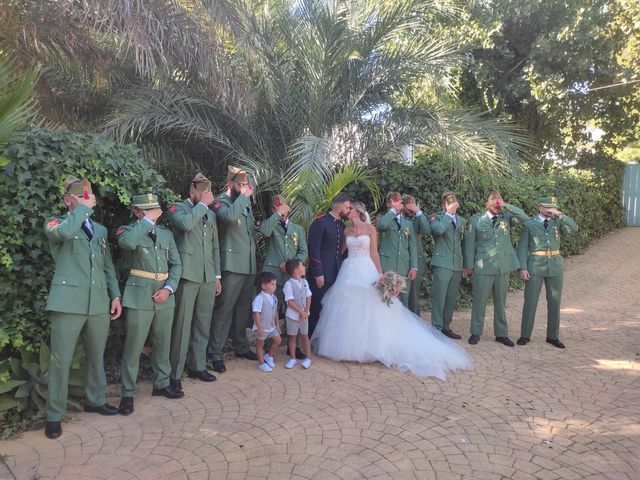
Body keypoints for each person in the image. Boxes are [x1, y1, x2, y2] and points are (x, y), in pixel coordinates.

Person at [311, 202, 472, 378]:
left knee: (372, 308)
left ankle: (374, 347)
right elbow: (341, 252)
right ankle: (348, 348)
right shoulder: (346, 231)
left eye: (350, 209)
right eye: (347, 208)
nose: (347, 211)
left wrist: (380, 274)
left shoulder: (370, 229)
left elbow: (374, 253)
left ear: (357, 211)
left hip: (366, 269)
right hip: (349, 271)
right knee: (348, 308)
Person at [43, 176, 122, 439]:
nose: (87, 198)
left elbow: (107, 265)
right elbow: (64, 233)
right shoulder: (56, 223)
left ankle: (95, 400)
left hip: (98, 302)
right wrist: (83, 209)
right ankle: (54, 415)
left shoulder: (99, 230)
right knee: (61, 361)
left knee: (96, 355)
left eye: (88, 194)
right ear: (67, 200)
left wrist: (115, 296)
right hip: (68, 303)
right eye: (80, 194)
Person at [116, 194, 183, 415]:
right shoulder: (127, 231)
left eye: (154, 209)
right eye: (146, 210)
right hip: (139, 296)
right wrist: (146, 221)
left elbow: (176, 264)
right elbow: (126, 244)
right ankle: (127, 393)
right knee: (134, 346)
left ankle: (162, 383)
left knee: (162, 342)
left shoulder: (166, 234)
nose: (152, 213)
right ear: (137, 212)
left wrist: (168, 288)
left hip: (164, 295)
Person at [167, 173, 220, 392]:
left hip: (207, 276)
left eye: (208, 190)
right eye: (201, 190)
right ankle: (174, 373)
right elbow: (187, 225)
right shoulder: (178, 208)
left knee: (202, 323)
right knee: (182, 326)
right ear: (191, 191)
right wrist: (204, 206)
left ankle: (197, 365)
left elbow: (215, 247)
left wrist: (217, 276)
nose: (206, 194)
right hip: (188, 275)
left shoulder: (210, 214)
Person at [209, 166, 260, 373]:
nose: (244, 188)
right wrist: (243, 197)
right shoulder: (221, 202)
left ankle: (240, 346)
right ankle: (215, 353)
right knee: (224, 310)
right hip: (230, 265)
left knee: (242, 310)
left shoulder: (244, 204)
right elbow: (229, 218)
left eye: (245, 184)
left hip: (247, 265)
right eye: (240, 184)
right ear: (230, 184)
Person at [463, 191, 529, 346]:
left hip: (502, 267)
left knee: (501, 302)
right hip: (483, 267)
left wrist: (506, 205)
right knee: (479, 301)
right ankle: (475, 332)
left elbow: (525, 218)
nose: (496, 207)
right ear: (487, 204)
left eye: (498, 205)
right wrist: (469, 267)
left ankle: (501, 334)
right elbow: (469, 245)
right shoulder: (476, 220)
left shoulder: (506, 218)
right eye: (493, 204)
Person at [516, 196, 578, 348]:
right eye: (547, 208)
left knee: (554, 301)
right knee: (530, 301)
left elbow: (574, 228)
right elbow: (522, 247)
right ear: (540, 208)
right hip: (535, 267)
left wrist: (560, 214)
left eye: (552, 208)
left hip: (555, 267)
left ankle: (553, 336)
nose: (550, 211)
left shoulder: (558, 222)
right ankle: (525, 335)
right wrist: (522, 268)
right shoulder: (530, 224)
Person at [307, 194, 351, 336]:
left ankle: (321, 339)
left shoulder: (341, 225)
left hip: (336, 273)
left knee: (330, 308)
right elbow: (314, 249)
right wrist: (318, 273)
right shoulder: (320, 222)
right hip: (322, 275)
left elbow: (341, 252)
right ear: (339, 207)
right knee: (317, 307)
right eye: (347, 207)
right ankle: (309, 338)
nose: (349, 210)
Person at [259, 194, 308, 313]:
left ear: (288, 208)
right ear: (273, 210)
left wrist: (290, 265)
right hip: (272, 275)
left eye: (283, 208)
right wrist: (277, 214)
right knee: (270, 310)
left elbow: (303, 252)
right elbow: (265, 232)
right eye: (277, 208)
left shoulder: (297, 229)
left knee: (293, 310)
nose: (281, 212)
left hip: (291, 276)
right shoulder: (269, 225)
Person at [428, 191, 467, 339]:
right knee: (440, 296)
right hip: (442, 263)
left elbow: (464, 244)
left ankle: (446, 326)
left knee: (451, 297)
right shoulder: (436, 218)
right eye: (449, 204)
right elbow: (438, 230)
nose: (453, 206)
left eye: (454, 204)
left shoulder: (462, 221)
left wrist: (466, 265)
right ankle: (436, 327)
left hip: (457, 263)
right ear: (444, 205)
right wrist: (448, 215)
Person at [376, 192, 418, 307]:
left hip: (404, 266)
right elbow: (382, 226)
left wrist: (413, 267)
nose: (398, 204)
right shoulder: (384, 218)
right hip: (387, 265)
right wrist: (393, 211)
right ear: (388, 204)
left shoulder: (408, 223)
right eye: (395, 202)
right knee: (384, 298)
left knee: (403, 300)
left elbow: (412, 247)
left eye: (399, 202)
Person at [401, 195, 431, 315]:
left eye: (412, 206)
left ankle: (415, 326)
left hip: (414, 264)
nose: (410, 209)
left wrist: (418, 212)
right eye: (408, 206)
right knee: (400, 296)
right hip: (400, 262)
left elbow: (427, 230)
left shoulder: (416, 219)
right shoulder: (396, 219)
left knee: (413, 298)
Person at [283, 259, 312, 369]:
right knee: (292, 337)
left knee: (305, 336)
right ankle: (293, 358)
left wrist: (305, 311)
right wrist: (300, 311)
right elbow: (290, 302)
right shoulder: (288, 284)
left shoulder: (305, 282)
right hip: (292, 316)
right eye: (302, 266)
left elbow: (309, 296)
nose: (304, 267)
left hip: (304, 316)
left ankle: (308, 358)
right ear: (296, 270)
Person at [251, 272, 282, 372]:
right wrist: (259, 328)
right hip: (262, 327)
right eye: (272, 284)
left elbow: (276, 311)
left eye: (275, 284)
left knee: (278, 340)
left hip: (272, 326)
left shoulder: (274, 297)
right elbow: (256, 314)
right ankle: (261, 363)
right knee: (260, 344)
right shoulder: (259, 299)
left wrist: (277, 324)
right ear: (264, 286)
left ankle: (269, 356)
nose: (275, 287)